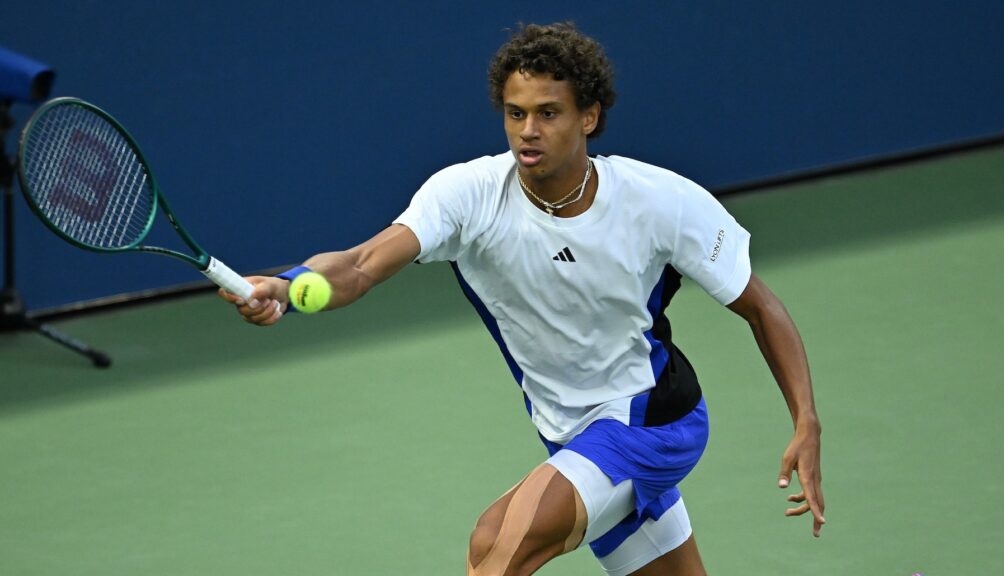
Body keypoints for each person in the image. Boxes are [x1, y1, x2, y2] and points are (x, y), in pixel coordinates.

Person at [221, 22, 824, 576]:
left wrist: (805, 421)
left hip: (650, 420)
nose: (527, 131)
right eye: (514, 113)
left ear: (589, 117)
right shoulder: (467, 196)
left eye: (548, 113)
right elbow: (358, 265)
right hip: (567, 430)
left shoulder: (659, 201)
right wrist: (288, 286)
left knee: (495, 542)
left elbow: (760, 307)